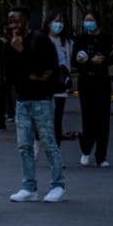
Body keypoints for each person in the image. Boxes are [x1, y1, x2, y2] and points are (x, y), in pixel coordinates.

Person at [3, 7, 66, 203]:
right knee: (24, 145)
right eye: (11, 21)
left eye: (17, 21)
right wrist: (27, 70)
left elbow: (45, 71)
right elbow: (11, 75)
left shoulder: (39, 40)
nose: (14, 25)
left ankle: (58, 185)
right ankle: (28, 186)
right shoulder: (10, 44)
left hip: (42, 99)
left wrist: (23, 54)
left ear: (27, 21)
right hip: (22, 100)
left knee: (48, 142)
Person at [74, 12, 113, 166]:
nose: (88, 23)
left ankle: (101, 156)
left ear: (98, 21)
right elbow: (75, 61)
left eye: (91, 20)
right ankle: (86, 149)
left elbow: (110, 58)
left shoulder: (107, 38)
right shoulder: (81, 39)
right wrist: (88, 61)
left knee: (103, 119)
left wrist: (107, 57)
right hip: (85, 82)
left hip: (102, 81)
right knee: (88, 117)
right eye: (86, 20)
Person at [44, 12, 74, 145]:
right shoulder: (42, 39)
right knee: (43, 120)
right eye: (56, 21)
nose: (58, 24)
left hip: (60, 86)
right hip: (44, 86)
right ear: (49, 22)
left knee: (57, 120)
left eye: (61, 21)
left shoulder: (68, 42)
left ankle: (56, 154)